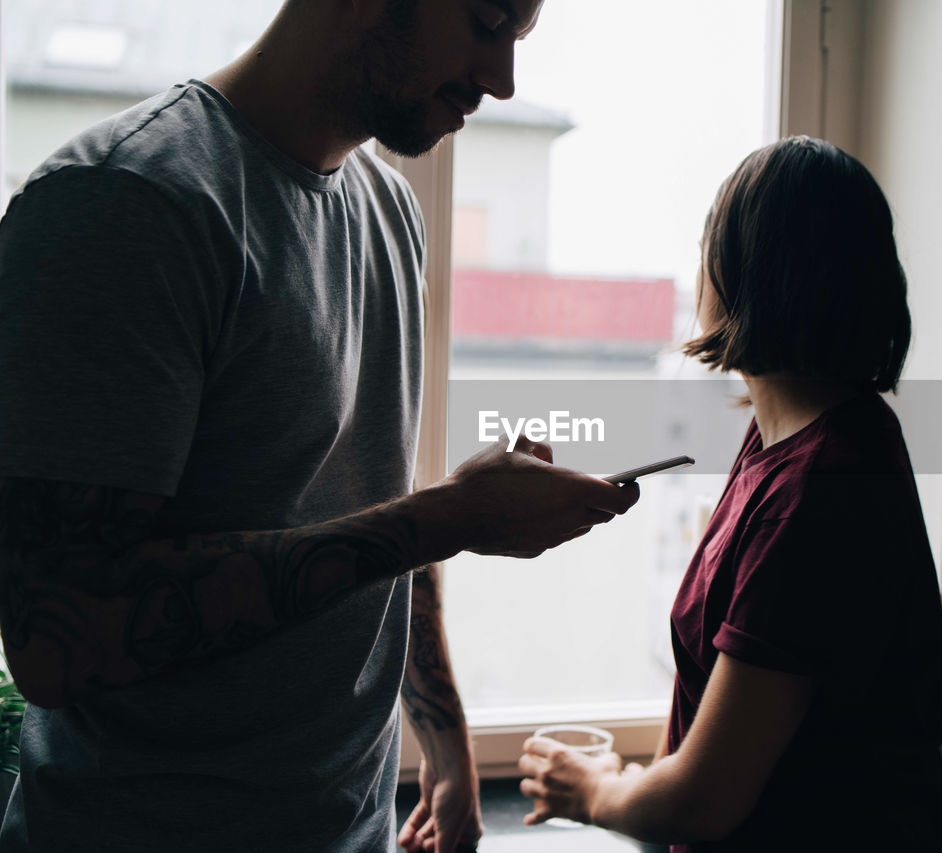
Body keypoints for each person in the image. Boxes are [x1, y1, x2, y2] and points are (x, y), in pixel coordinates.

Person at [0, 1, 641, 851]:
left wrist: (444, 748)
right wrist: (450, 516)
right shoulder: (126, 205)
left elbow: (377, 510)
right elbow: (59, 639)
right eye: (486, 23)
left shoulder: (389, 211)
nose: (503, 80)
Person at [518, 136, 942, 851]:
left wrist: (594, 790)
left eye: (708, 245)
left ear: (753, 271)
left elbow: (704, 802)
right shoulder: (789, 438)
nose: (699, 270)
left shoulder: (822, 488)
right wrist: (637, 781)